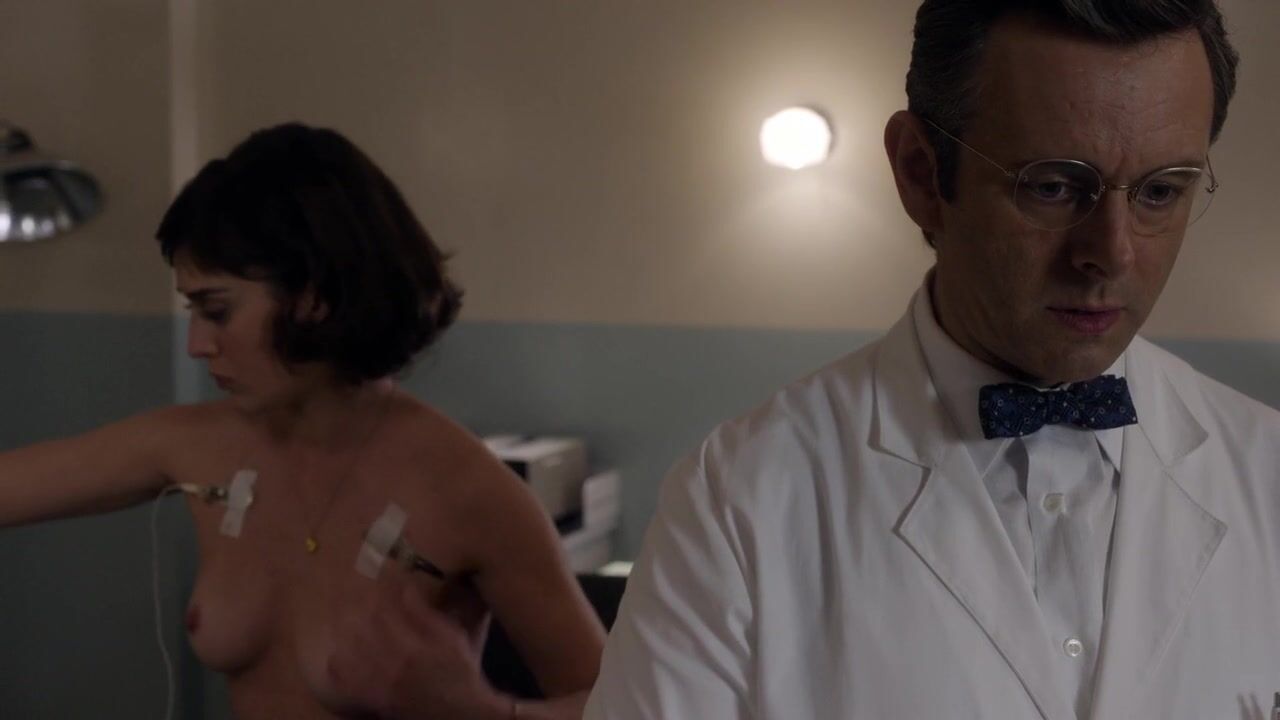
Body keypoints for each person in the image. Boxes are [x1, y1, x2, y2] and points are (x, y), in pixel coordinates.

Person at [585, 1, 1280, 718]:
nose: (1111, 253)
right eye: (1051, 186)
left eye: (1161, 191)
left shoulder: (1268, 470)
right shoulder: (737, 503)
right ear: (920, 173)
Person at [0, 123, 604, 719]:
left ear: (313, 297)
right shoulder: (198, 445)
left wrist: (483, 712)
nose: (197, 346)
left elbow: (627, 710)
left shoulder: (468, 491)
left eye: (217, 311)